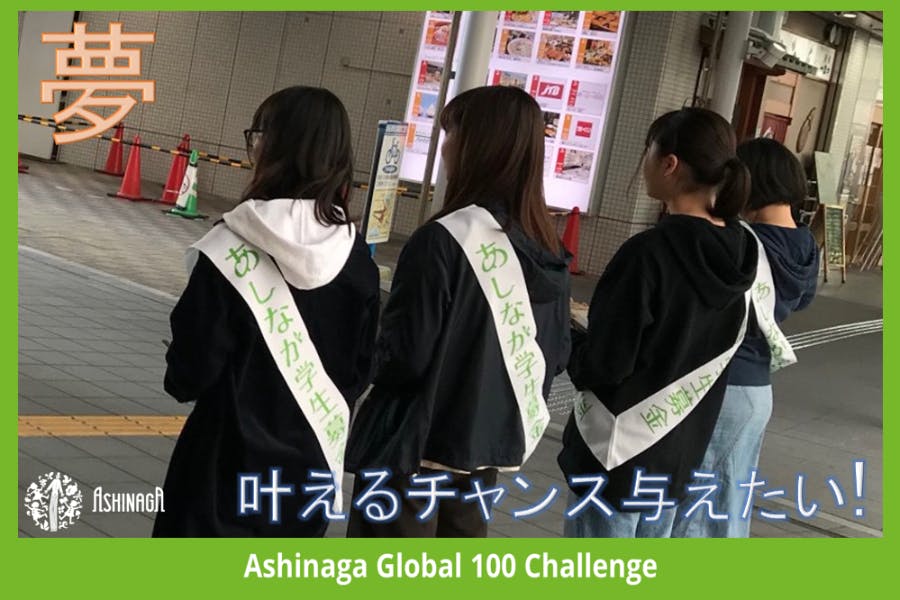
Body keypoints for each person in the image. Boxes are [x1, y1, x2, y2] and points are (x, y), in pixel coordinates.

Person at [153, 86, 380, 537]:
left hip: (218, 476)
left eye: (257, 135)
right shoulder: (358, 261)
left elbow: (189, 373)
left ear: (275, 148)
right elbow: (360, 371)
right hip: (307, 478)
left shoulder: (230, 246)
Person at [345, 85, 571, 537]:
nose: (445, 147)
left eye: (451, 134)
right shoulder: (549, 250)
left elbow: (405, 356)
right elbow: (558, 354)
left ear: (477, 147)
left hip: (412, 447)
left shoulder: (442, 241)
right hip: (482, 453)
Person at [559, 107, 758, 538]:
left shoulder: (648, 254)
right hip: (679, 454)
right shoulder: (743, 252)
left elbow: (606, 364)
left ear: (670, 164)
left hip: (614, 457)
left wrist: (567, 340)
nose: (644, 160)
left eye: (648, 149)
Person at [671, 138, 818, 537]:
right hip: (757, 390)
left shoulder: (743, 241)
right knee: (730, 498)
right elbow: (803, 300)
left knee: (698, 506)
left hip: (721, 383)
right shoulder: (806, 244)